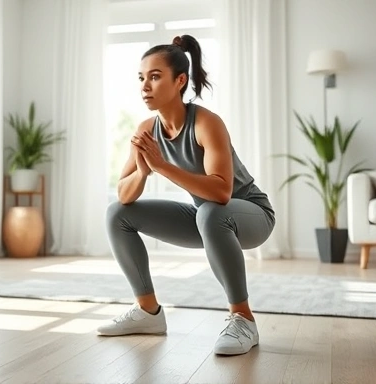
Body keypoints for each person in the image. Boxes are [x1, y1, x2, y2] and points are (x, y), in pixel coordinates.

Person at [97, 34, 275, 356]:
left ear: (180, 81)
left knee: (210, 211)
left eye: (154, 77)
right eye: (141, 78)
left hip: (251, 214)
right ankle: (147, 312)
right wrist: (144, 170)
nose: (145, 86)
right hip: (208, 217)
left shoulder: (206, 123)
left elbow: (221, 191)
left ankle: (243, 319)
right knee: (116, 214)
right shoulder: (145, 130)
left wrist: (162, 166)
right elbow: (124, 194)